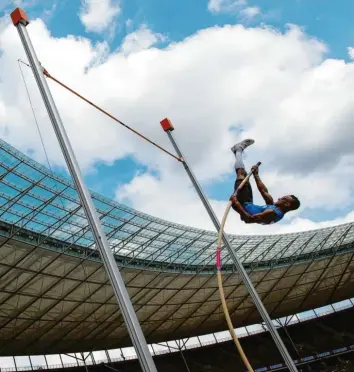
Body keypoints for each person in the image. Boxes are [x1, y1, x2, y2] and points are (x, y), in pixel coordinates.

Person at [230, 139, 300, 225]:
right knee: (244, 174)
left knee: (241, 173)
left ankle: (238, 149)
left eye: (283, 199)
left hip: (241, 204)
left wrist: (236, 203)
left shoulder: (272, 213)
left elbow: (248, 219)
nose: (279, 198)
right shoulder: (273, 206)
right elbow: (264, 191)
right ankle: (237, 152)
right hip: (248, 202)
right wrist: (256, 175)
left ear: (286, 204)